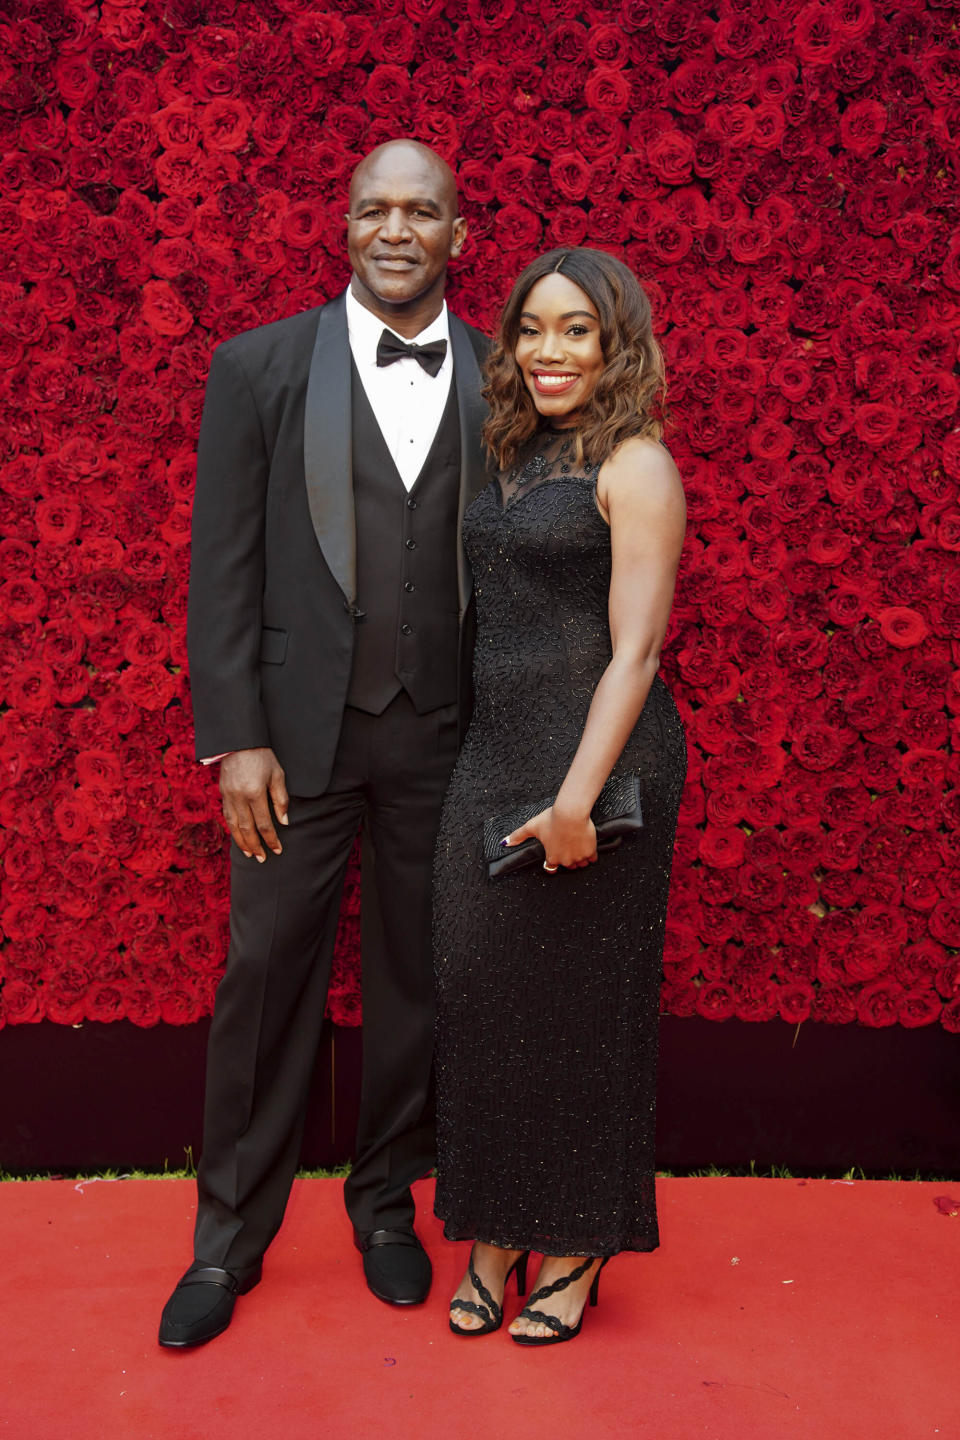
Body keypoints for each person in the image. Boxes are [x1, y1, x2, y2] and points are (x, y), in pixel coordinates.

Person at [159, 140, 490, 1349]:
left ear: (461, 233)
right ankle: (225, 1243)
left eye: (421, 211)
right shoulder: (256, 367)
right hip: (292, 747)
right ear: (343, 226)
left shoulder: (503, 379)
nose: (395, 229)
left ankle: (386, 1208)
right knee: (265, 980)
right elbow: (221, 570)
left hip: (443, 740)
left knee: (416, 982)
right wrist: (235, 737)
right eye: (372, 209)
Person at [433, 247, 687, 1345]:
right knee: (484, 998)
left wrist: (580, 799)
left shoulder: (636, 466)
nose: (548, 350)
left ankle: (577, 1244)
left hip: (603, 764)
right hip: (494, 756)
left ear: (615, 341)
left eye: (576, 330)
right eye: (532, 328)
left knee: (585, 1016)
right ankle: (495, 1230)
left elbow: (634, 653)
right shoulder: (514, 453)